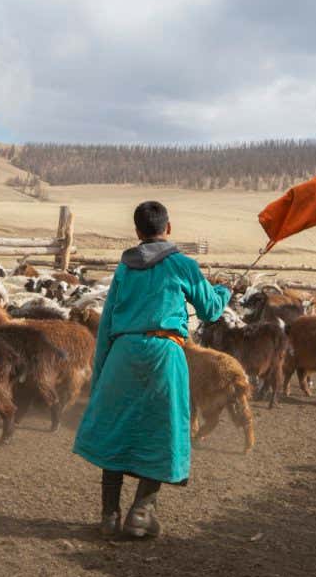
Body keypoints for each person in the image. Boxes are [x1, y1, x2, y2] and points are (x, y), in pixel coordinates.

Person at [72, 200, 232, 539]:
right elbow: (210, 310)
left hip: (122, 352)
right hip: (164, 352)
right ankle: (141, 515)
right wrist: (224, 291)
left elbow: (108, 323)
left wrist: (101, 374)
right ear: (168, 228)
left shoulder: (124, 268)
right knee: (163, 428)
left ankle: (109, 516)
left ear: (137, 231)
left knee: (116, 425)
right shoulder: (182, 265)